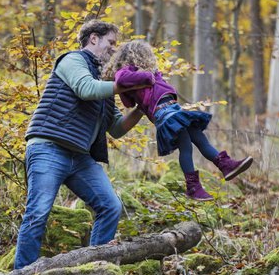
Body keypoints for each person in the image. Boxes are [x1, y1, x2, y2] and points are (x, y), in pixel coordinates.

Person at [14, 20, 146, 270]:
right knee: (38, 212)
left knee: (110, 206)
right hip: (48, 147)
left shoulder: (103, 81)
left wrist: (141, 108)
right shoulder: (73, 61)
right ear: (93, 39)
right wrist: (128, 84)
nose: (113, 50)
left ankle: (92, 269)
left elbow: (116, 129)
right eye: (110, 43)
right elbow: (86, 89)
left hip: (80, 157)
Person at [105, 39, 252, 200]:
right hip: (163, 113)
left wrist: (152, 76)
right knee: (186, 146)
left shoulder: (149, 74)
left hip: (173, 109)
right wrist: (147, 77)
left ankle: (226, 165)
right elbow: (121, 81)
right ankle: (193, 187)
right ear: (137, 55)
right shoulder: (129, 72)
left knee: (200, 138)